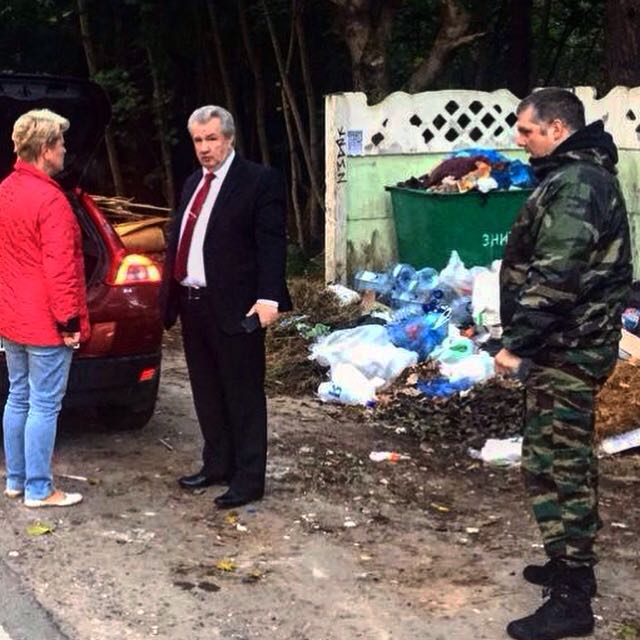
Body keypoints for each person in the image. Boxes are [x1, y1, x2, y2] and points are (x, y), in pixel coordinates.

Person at [495, 88, 632, 640]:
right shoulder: (573, 175)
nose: (520, 140)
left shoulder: (577, 183)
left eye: (527, 130)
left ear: (557, 128)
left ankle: (573, 597)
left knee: (562, 463)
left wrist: (517, 344)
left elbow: (557, 274)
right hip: (561, 346)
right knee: (546, 456)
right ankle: (566, 561)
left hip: (568, 348)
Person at [160, 105, 291, 509]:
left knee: (243, 394)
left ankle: (248, 479)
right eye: (198, 140)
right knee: (206, 391)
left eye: (212, 139)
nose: (204, 148)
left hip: (237, 307)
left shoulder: (258, 181)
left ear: (229, 139)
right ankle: (217, 463)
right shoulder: (192, 183)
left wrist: (269, 298)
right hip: (193, 304)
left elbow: (271, 243)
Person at [0, 109, 89, 508]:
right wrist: (69, 320)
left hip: (10, 317)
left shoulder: (4, 190)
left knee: (18, 396)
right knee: (44, 404)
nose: (65, 150)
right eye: (62, 143)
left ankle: (16, 480)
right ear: (46, 149)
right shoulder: (51, 200)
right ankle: (39, 489)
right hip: (44, 321)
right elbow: (61, 268)